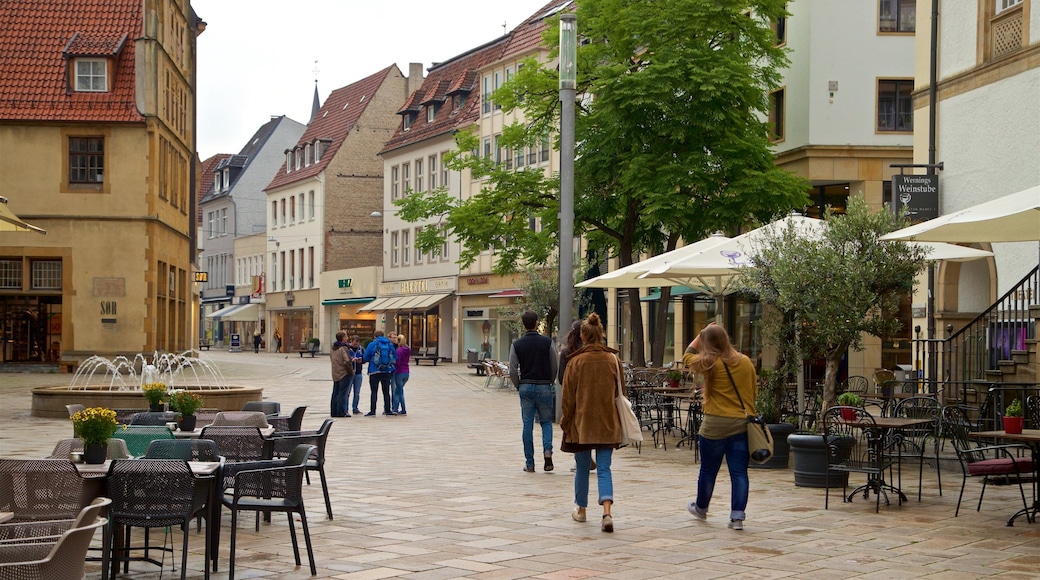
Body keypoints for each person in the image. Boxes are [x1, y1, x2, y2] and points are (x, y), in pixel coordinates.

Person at [683, 322, 758, 531]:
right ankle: (737, 517)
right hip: (741, 424)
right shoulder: (746, 362)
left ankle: (701, 507)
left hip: (714, 424)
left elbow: (687, 355)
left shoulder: (708, 363)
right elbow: (753, 392)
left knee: (708, 470)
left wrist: (700, 335)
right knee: (739, 472)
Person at [561, 313, 622, 533]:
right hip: (607, 422)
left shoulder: (575, 361)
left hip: (582, 423)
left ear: (583, 337)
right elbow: (620, 392)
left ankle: (582, 509)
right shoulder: (613, 360)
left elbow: (567, 398)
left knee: (582, 468)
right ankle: (607, 512)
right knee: (604, 468)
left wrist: (565, 422)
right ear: (600, 335)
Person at [508, 310, 558, 473]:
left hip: (526, 386)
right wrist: (549, 381)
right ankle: (547, 451)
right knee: (545, 422)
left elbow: (513, 370)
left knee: (527, 425)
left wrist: (519, 385)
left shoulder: (517, 345)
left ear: (524, 324)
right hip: (544, 385)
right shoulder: (547, 342)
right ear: (536, 323)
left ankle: (530, 463)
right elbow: (554, 365)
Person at [559, 320, 595, 473]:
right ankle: (587, 457)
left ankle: (580, 459)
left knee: (575, 428)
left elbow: (561, 377)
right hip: (591, 395)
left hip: (574, 395)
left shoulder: (567, 352)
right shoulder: (592, 352)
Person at [363, 330, 397, 416]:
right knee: (386, 392)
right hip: (387, 370)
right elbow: (395, 356)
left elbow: (366, 357)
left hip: (374, 371)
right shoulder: (389, 344)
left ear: (374, 336)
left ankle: (373, 411)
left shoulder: (372, 344)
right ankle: (388, 410)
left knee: (374, 391)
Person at [329, 331, 353, 417]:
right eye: (346, 336)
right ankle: (341, 412)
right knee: (342, 393)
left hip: (335, 372)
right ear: (343, 338)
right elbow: (347, 361)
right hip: (344, 373)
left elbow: (332, 359)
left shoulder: (333, 348)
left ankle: (334, 411)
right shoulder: (343, 348)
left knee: (335, 393)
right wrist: (350, 371)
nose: (347, 338)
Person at [392, 335, 411, 415]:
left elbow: (398, 363)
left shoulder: (399, 351)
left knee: (399, 392)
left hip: (399, 372)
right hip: (406, 372)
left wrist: (392, 362)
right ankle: (396, 408)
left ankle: (401, 409)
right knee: (398, 391)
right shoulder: (408, 349)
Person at [348, 335, 366, 415]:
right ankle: (345, 408)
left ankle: (355, 408)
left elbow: (365, 358)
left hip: (358, 372)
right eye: (354, 343)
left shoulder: (361, 349)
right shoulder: (347, 349)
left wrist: (361, 361)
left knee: (357, 392)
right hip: (349, 373)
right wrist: (351, 360)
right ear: (351, 341)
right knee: (347, 392)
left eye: (357, 343)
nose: (355, 345)